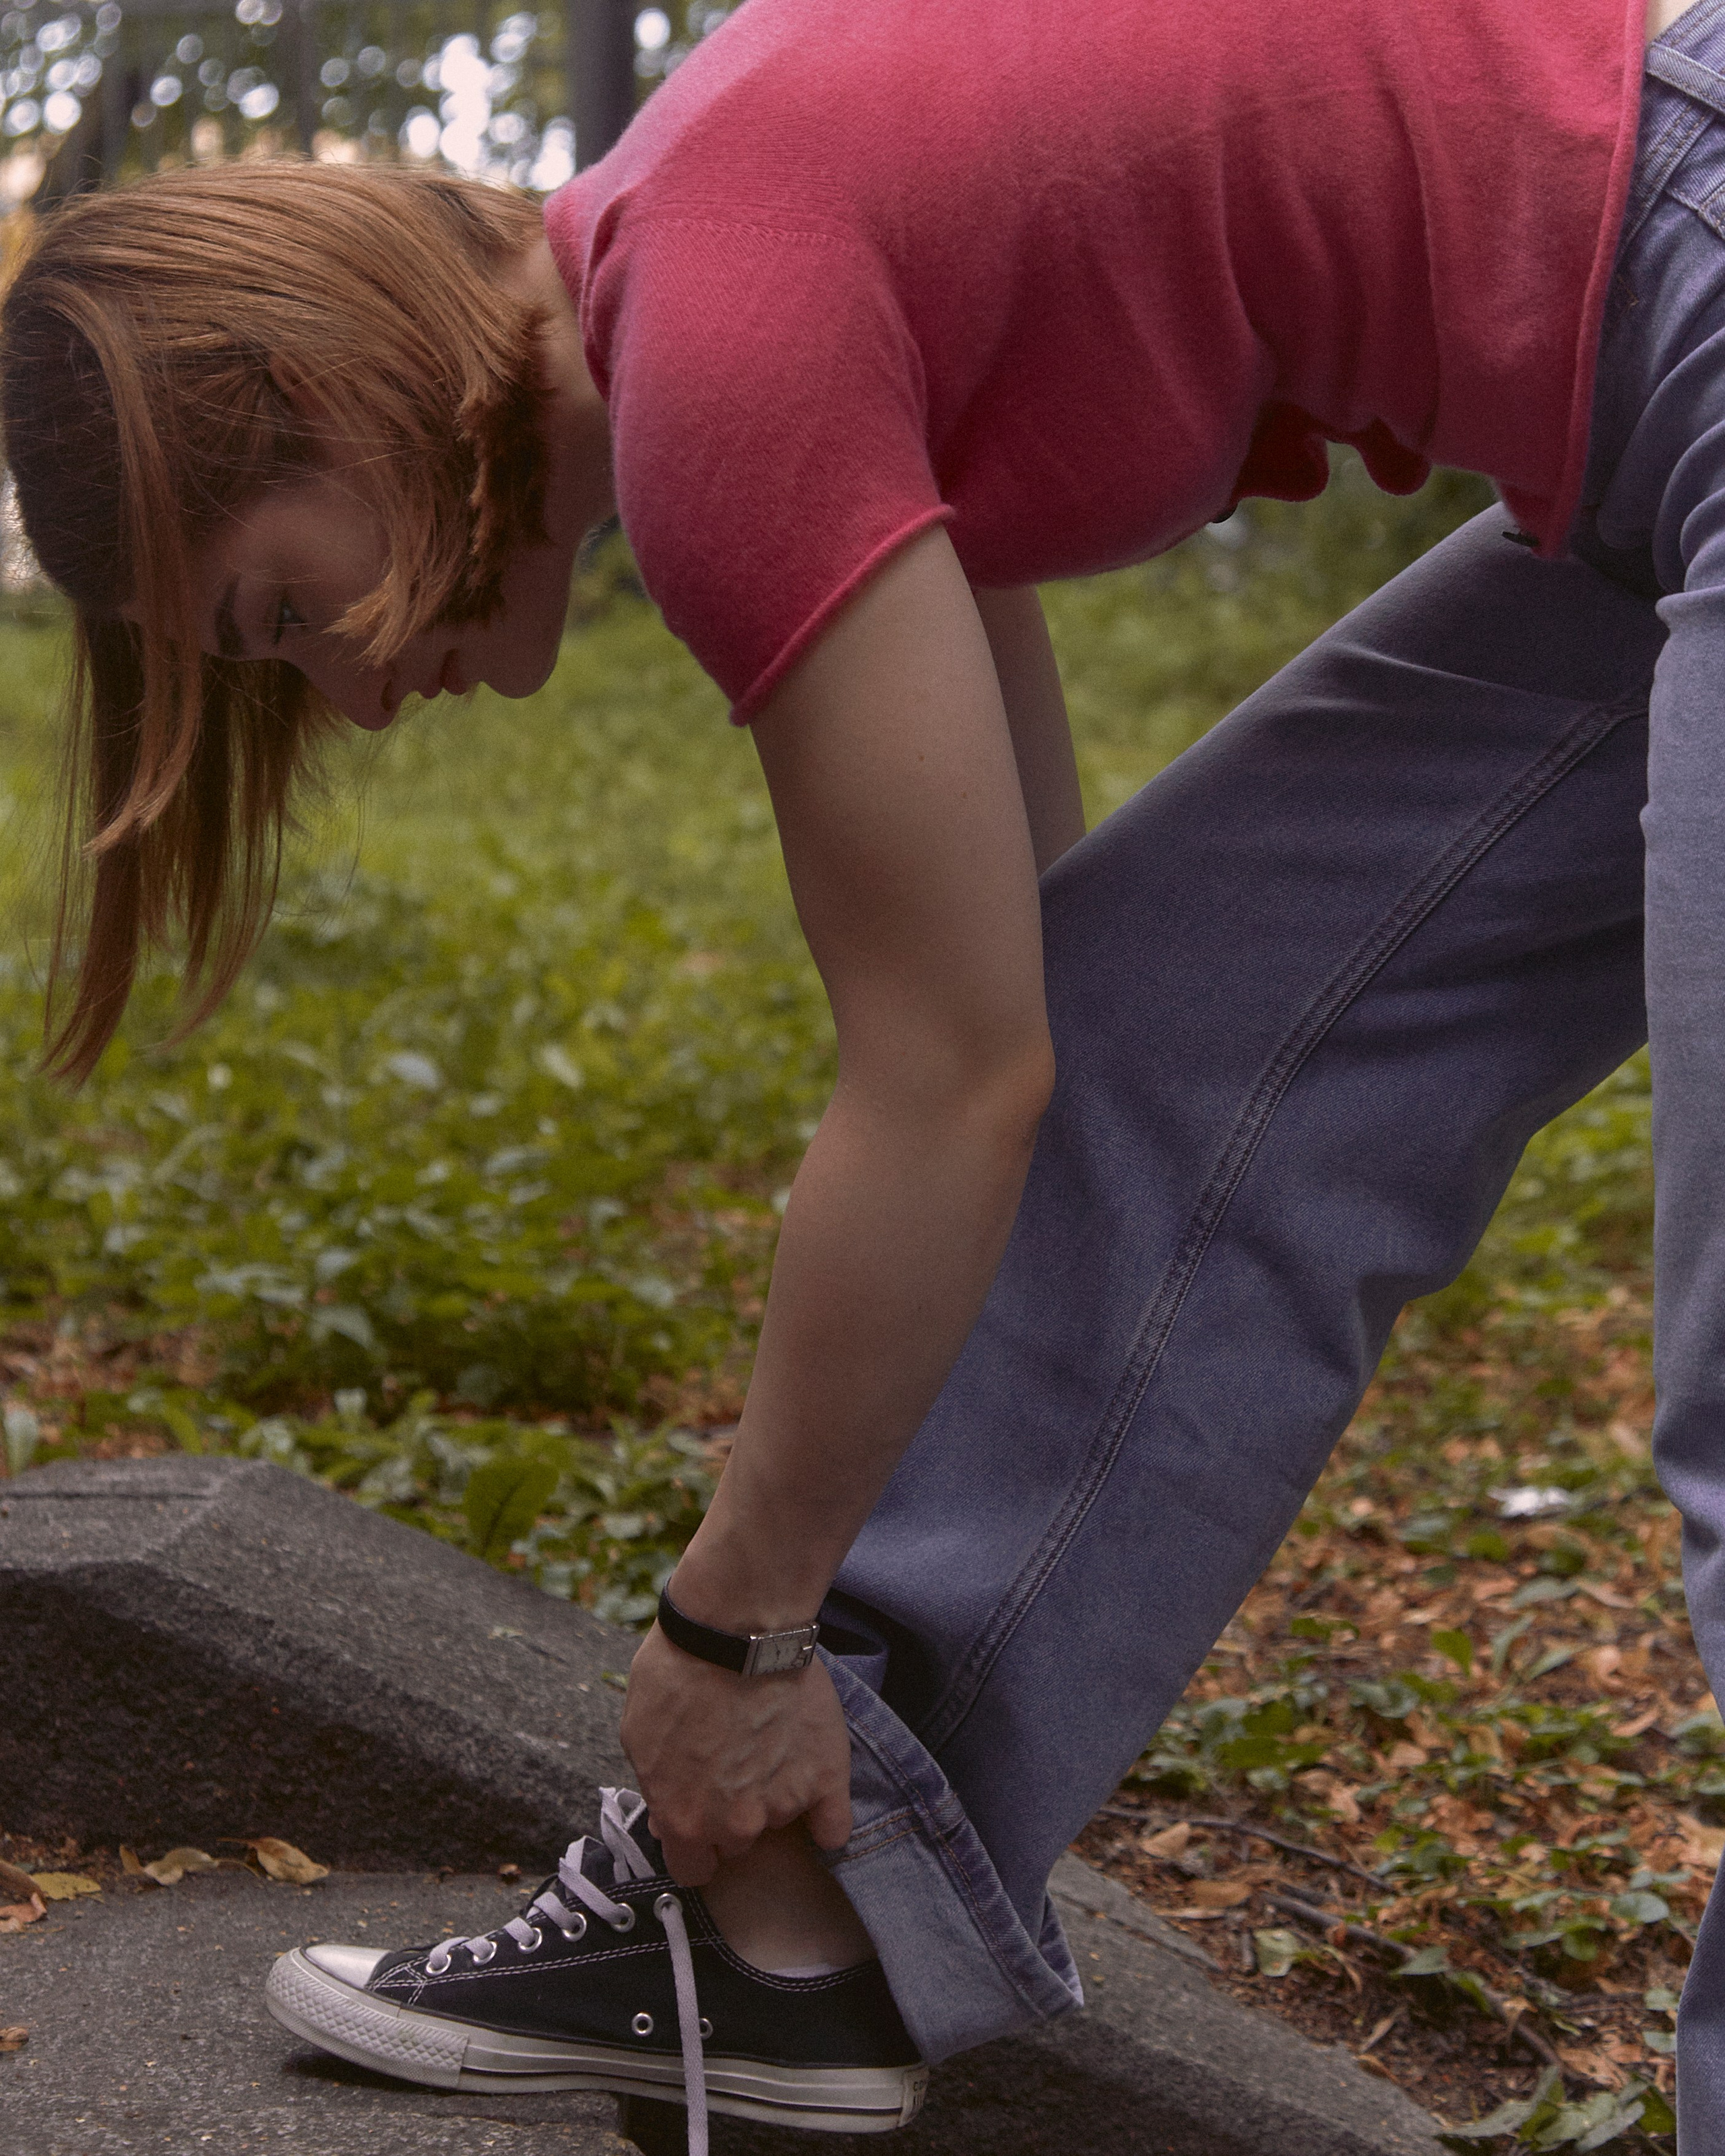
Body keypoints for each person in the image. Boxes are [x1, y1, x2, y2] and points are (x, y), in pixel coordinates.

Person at [7, 0, 1725, 2143]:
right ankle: (781, 1933)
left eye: (277, 621)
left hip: (1695, 274)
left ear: (317, 389)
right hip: (1643, 414)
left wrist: (729, 1627)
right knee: (1168, 1037)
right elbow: (1036, 1022)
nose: (348, 705)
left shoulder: (712, 333)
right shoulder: (730, 263)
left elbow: (951, 1082)